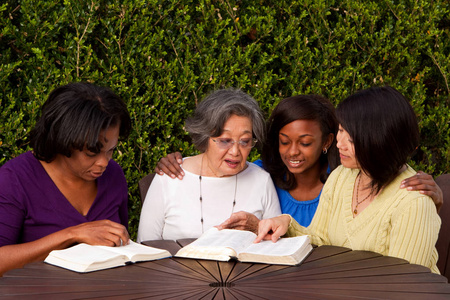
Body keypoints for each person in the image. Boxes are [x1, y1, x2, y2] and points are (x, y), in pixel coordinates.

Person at [154, 95, 443, 230]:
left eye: (305, 143)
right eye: (283, 141)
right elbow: (220, 163)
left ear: (327, 142)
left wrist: (434, 195)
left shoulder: (344, 178)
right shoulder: (262, 171)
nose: (293, 152)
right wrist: (176, 162)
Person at [255, 86, 441, 274]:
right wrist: (286, 223)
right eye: (341, 131)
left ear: (379, 140)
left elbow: (404, 285)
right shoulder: (341, 176)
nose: (339, 143)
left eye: (351, 139)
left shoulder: (414, 203)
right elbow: (320, 240)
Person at [0, 82, 131, 276]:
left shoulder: (113, 175)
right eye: (91, 153)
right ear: (63, 141)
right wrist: (73, 234)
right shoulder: (15, 179)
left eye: (111, 150)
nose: (104, 162)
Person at [137, 88, 281, 241]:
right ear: (205, 136)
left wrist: (258, 227)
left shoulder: (261, 181)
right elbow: (146, 247)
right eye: (225, 140)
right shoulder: (170, 178)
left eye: (245, 141)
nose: (235, 151)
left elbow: (275, 245)